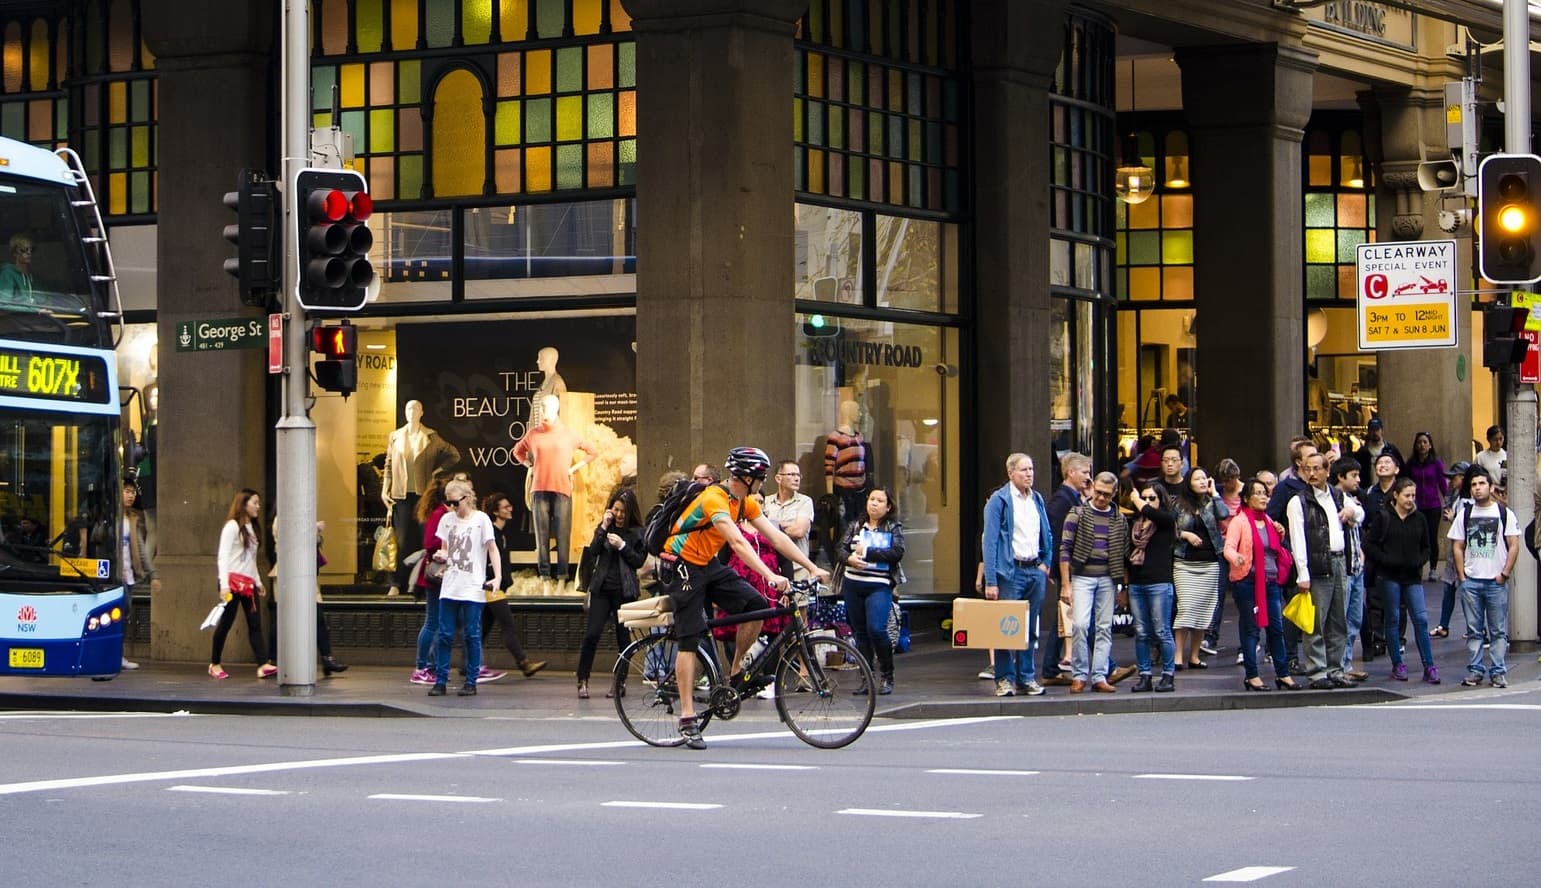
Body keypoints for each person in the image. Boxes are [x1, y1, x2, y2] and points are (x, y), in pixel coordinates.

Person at [664, 447, 829, 749]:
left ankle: (735, 670)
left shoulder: (745, 502)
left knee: (756, 605)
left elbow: (775, 538)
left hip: (708, 563)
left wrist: (812, 567)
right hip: (682, 564)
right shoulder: (714, 498)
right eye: (760, 476)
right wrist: (770, 575)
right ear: (746, 477)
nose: (763, 481)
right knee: (690, 637)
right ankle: (688, 718)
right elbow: (738, 543)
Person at [1284, 451, 1361, 689]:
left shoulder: (1337, 495)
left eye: (1317, 468)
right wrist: (1303, 573)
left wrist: (1351, 513)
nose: (1312, 473)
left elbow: (1360, 513)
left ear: (1328, 471)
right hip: (1317, 565)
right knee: (1316, 622)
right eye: (1308, 468)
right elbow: (1298, 540)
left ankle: (1335, 669)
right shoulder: (1299, 501)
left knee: (1339, 620)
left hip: (1340, 562)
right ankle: (1317, 672)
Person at [981, 453, 1053, 697]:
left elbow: (1047, 533)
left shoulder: (1037, 499)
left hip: (1034, 570)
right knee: (1006, 629)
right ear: (1010, 473)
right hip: (1010, 572)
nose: (1029, 474)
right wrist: (991, 580)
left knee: (1031, 628)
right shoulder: (999, 501)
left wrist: (1046, 562)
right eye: (1024, 470)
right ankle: (1004, 678)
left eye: (1031, 469)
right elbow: (989, 542)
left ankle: (1027, 677)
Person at [513, 394, 598, 592]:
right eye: (542, 408)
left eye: (548, 408)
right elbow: (517, 451)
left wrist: (573, 469)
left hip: (562, 489)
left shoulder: (568, 434)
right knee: (541, 537)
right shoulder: (533, 434)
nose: (544, 412)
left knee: (562, 535)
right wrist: (529, 466)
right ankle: (544, 576)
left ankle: (561, 576)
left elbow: (592, 451)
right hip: (539, 490)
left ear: (556, 409)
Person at [1223, 478, 1301, 691]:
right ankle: (1252, 675)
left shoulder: (1268, 520)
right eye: (1258, 493)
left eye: (1265, 492)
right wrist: (1236, 558)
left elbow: (1275, 548)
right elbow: (1228, 547)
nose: (1263, 496)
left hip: (1271, 582)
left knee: (1276, 628)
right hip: (1247, 582)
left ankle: (1282, 673)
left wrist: (1281, 533)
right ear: (1247, 499)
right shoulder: (1239, 521)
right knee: (1251, 630)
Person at [426, 479, 500, 697]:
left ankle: (471, 680)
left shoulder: (481, 520)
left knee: (471, 634)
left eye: (455, 503)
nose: (451, 507)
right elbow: (445, 550)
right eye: (448, 503)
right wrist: (441, 556)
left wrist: (497, 577)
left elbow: (492, 549)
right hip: (450, 585)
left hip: (473, 585)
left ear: (467, 498)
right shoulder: (447, 520)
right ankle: (440, 680)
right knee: (445, 634)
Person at [1449, 467, 1519, 688]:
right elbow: (1457, 546)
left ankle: (1498, 671)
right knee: (1474, 630)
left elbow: (1514, 545)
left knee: (1498, 630)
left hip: (1495, 581)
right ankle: (1476, 670)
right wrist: (1462, 576)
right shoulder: (1465, 514)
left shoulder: (1504, 513)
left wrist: (1504, 573)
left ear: (1490, 486)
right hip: (1472, 581)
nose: (1477, 488)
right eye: (1473, 485)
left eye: (1481, 484)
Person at [1058, 472, 1128, 693]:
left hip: (1108, 576)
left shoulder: (1119, 519)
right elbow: (1065, 550)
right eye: (1098, 492)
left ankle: (1099, 675)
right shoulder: (1078, 513)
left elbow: (1124, 555)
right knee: (1079, 625)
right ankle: (1079, 674)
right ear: (1092, 488)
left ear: (1114, 494)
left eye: (1106, 495)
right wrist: (1065, 584)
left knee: (1104, 627)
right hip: (1082, 576)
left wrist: (1123, 586)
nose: (1100, 498)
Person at [1364, 478, 1438, 684]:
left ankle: (1429, 665)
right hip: (1389, 576)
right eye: (1407, 495)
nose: (1410, 500)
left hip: (1413, 576)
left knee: (1421, 620)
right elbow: (1369, 545)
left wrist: (1420, 561)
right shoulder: (1383, 517)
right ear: (1395, 495)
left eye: (1413, 496)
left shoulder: (1419, 519)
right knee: (1393, 619)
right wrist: (1386, 560)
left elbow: (1427, 546)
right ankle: (1397, 663)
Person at [383, 400, 461, 597]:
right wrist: (385, 489)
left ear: (422, 412)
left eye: (416, 408)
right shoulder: (395, 436)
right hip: (400, 495)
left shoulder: (430, 436)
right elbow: (388, 464)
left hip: (423, 495)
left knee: (426, 538)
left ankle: (427, 580)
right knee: (400, 540)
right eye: (409, 408)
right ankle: (395, 583)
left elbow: (454, 455)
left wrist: (437, 471)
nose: (412, 412)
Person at [575, 488, 646, 699]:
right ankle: (582, 679)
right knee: (592, 634)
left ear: (630, 511)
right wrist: (603, 527)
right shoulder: (605, 527)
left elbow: (638, 561)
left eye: (623, 511)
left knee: (623, 639)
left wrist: (623, 546)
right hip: (601, 589)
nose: (619, 515)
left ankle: (619, 682)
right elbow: (594, 550)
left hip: (625, 592)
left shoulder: (637, 532)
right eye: (616, 509)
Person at [837, 486, 905, 697]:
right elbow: (840, 549)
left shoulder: (893, 527)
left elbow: (897, 552)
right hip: (852, 584)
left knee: (877, 628)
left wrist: (866, 552)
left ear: (888, 507)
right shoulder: (856, 524)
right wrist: (849, 558)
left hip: (879, 585)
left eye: (880, 501)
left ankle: (887, 674)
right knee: (860, 633)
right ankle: (866, 678)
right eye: (872, 499)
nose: (874, 503)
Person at [265, 517, 348, 677]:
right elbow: (289, 540)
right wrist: (313, 529)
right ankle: (273, 659)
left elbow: (311, 543)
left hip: (307, 573)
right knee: (283, 617)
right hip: (289, 574)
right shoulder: (282, 516)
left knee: (318, 617)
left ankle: (327, 658)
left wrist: (314, 532)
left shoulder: (304, 514)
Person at [478, 492, 548, 682]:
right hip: (492, 587)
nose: (510, 509)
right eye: (505, 507)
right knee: (508, 624)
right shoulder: (491, 533)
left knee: (483, 628)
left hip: (494, 586)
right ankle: (523, 662)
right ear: (495, 511)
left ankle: (469, 664)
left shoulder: (500, 534)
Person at [208, 488, 273, 680]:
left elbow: (250, 560)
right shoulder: (232, 526)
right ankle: (215, 663)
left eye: (258, 503)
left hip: (248, 584)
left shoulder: (252, 528)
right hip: (232, 583)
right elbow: (223, 556)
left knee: (255, 624)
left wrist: (258, 582)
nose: (258, 507)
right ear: (244, 504)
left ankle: (262, 664)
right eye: (255, 502)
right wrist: (224, 584)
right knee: (225, 623)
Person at [1171, 466, 1228, 669]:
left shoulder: (1212, 503)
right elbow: (1171, 528)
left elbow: (1224, 514)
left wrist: (1215, 493)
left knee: (1204, 611)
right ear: (1189, 482)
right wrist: (1185, 535)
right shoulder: (1178, 504)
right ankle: (1178, 655)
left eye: (1205, 478)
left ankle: (1194, 656)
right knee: (1186, 608)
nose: (1203, 481)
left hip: (1210, 562)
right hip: (1185, 562)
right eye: (1198, 479)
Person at [1041, 452, 1091, 684]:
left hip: (1070, 567)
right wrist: (1058, 571)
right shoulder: (1062, 500)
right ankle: (1107, 667)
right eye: (1084, 472)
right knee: (1079, 617)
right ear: (1071, 472)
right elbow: (1058, 538)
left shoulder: (1075, 497)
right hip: (1068, 568)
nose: (1088, 478)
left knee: (1065, 618)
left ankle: (1050, 667)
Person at [1125, 479, 1176, 692]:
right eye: (1144, 497)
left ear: (1160, 499)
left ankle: (1168, 674)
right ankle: (1145, 674)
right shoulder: (1135, 523)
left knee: (1162, 630)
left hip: (1159, 582)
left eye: (1151, 498)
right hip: (1137, 583)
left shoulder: (1165, 519)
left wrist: (1137, 500)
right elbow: (1126, 554)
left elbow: (1158, 515)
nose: (1146, 501)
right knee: (1142, 631)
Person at [1331, 458, 1369, 682]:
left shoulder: (1351, 500)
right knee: (1340, 619)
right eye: (1353, 475)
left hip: (1356, 566)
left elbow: (1360, 516)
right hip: (1343, 567)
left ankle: (1345, 663)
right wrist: (1352, 512)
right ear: (1340, 477)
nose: (1358, 480)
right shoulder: (1333, 498)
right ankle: (1337, 665)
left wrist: (1353, 512)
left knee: (1354, 619)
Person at [1204, 458, 1244, 657]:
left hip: (1241, 548)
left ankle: (1247, 639)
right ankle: (1210, 636)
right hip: (1221, 546)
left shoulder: (1245, 491)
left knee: (1242, 595)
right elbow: (1219, 514)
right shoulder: (1216, 492)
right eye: (1226, 480)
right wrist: (1213, 492)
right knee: (1217, 592)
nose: (1229, 484)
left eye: (1232, 479)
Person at [119, 478, 159, 671]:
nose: (130, 495)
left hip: (129, 575)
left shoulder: (134, 519)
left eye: (132, 492)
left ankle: (119, 654)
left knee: (125, 614)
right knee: (118, 615)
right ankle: (115, 654)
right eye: (126, 491)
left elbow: (141, 550)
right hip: (114, 577)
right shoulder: (112, 517)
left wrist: (153, 574)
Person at [1430, 461, 1472, 640]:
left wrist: (1454, 517)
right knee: (1449, 587)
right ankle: (1443, 625)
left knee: (1467, 591)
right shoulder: (1455, 495)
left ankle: (1476, 628)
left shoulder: (1469, 499)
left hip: (1465, 551)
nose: (1450, 482)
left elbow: (1469, 524)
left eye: (1453, 478)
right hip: (1454, 550)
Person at [1402, 431, 1447, 579]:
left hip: (1433, 505)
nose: (1422, 445)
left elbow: (1442, 484)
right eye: (1419, 442)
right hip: (1416, 506)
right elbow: (1405, 482)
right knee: (1417, 536)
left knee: (1432, 536)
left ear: (1430, 445)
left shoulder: (1436, 463)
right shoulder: (1411, 464)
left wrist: (1447, 501)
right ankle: (1418, 565)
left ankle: (1433, 568)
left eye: (1425, 442)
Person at [761, 460, 815, 579]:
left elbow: (798, 531)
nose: (797, 478)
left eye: (798, 475)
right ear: (778, 478)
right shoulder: (766, 501)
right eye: (791, 474)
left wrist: (770, 527)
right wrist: (786, 525)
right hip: (771, 568)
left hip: (798, 568)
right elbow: (756, 529)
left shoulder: (805, 501)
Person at [1266, 438, 1317, 522]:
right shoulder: (1284, 487)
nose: (1316, 459)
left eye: (1316, 455)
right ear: (1298, 462)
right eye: (1311, 456)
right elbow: (1270, 517)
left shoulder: (1320, 485)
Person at [1351, 417, 1403, 483]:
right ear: (1368, 432)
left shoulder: (1391, 450)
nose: (1375, 432)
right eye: (1372, 430)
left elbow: (1401, 471)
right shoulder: (1362, 452)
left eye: (1377, 429)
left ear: (1382, 431)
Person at [0, 233, 36, 303]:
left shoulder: (33, 277)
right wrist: (35, 310)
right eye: (23, 250)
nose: (29, 252)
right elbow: (4, 304)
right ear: (14, 253)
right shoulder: (8, 274)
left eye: (31, 250)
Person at [1474, 425, 1507, 491]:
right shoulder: (1481, 457)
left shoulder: (1507, 455)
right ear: (1489, 440)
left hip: (1505, 492)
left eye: (1501, 439)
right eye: (1495, 440)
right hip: (1488, 491)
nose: (1498, 442)